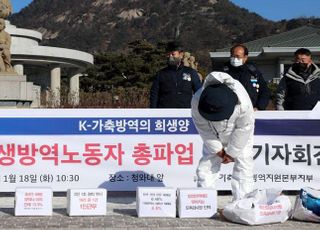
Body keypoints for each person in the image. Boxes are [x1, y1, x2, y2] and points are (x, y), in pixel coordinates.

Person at [191, 71, 255, 201]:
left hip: (239, 133)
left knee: (244, 164)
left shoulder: (243, 101)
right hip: (213, 134)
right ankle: (205, 202)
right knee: (206, 166)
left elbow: (244, 128)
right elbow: (203, 127)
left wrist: (232, 152)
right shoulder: (197, 100)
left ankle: (242, 203)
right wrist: (217, 149)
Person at [150, 41, 202, 108]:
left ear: (181, 55)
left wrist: (199, 110)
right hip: (165, 112)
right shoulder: (161, 74)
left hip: (185, 112)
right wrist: (153, 111)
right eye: (168, 54)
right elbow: (154, 94)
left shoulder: (190, 72)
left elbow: (199, 93)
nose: (170, 57)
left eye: (173, 54)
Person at [222, 44, 270, 110]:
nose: (234, 59)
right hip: (230, 111)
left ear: (245, 58)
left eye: (238, 56)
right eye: (232, 56)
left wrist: (259, 107)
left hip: (252, 110)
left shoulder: (253, 71)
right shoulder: (223, 72)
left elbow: (264, 91)